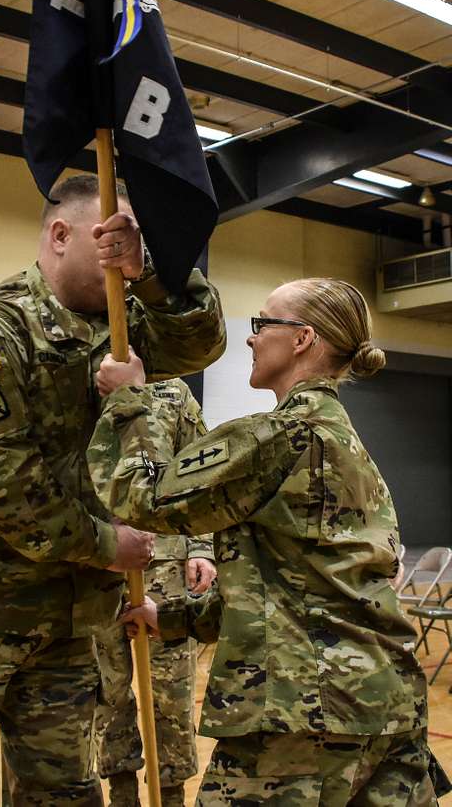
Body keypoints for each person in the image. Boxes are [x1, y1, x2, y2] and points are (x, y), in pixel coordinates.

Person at [0, 173, 226, 806]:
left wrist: (151, 272)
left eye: (133, 241)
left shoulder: (119, 324)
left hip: (65, 624)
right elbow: (0, 487)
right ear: (61, 235)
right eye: (111, 239)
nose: (122, 253)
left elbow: (201, 342)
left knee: (62, 795)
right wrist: (105, 544)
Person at [88, 277, 444, 804]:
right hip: (383, 702)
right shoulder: (344, 439)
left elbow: (145, 499)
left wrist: (131, 402)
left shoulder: (278, 435)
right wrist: (179, 619)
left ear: (302, 338)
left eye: (262, 325)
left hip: (302, 715)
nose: (251, 339)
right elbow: (294, 581)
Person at [93, 376, 216, 807]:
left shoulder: (172, 390)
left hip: (163, 566)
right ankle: (122, 795)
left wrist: (202, 547)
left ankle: (171, 796)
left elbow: (201, 470)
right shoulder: (80, 373)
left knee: (171, 697)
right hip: (95, 562)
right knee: (108, 694)